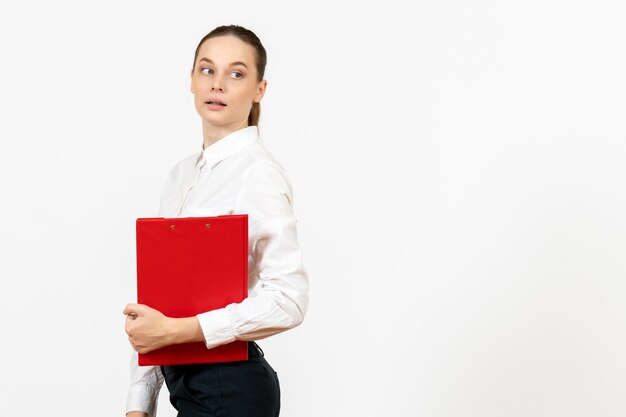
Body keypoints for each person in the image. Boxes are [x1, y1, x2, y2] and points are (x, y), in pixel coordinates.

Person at [123, 24, 309, 417]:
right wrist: (138, 405)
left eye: (236, 73)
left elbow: (289, 299)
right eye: (208, 70)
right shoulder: (179, 177)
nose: (218, 84)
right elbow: (160, 302)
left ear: (259, 90)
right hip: (184, 386)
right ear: (191, 80)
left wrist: (183, 330)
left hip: (232, 389)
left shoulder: (259, 173)